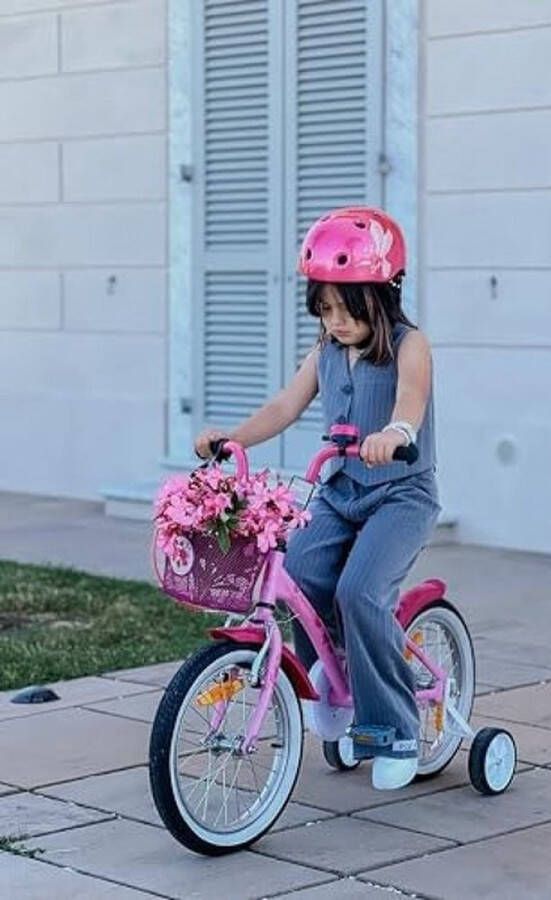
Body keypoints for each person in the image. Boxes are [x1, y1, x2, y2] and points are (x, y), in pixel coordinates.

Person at [195, 206, 440, 790]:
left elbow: (411, 399)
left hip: (400, 495)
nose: (335, 321)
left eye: (346, 308)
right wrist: (231, 438)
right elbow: (285, 406)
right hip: (339, 491)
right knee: (299, 573)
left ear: (381, 294)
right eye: (324, 309)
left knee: (360, 591)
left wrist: (397, 434)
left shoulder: (410, 345)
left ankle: (397, 728)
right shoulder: (325, 353)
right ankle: (335, 678)